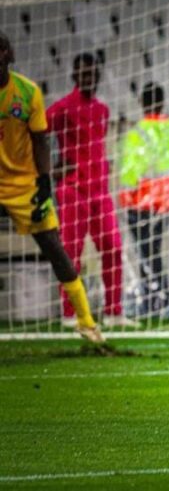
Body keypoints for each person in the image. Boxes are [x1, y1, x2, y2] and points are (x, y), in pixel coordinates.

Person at [0, 31, 103, 343]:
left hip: (24, 185)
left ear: (8, 54)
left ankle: (86, 322)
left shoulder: (27, 92)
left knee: (56, 250)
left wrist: (44, 181)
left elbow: (41, 140)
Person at [47, 53, 134, 328]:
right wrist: (50, 167)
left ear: (98, 76)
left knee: (113, 248)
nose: (88, 78)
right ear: (74, 76)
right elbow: (36, 132)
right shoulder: (62, 108)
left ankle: (114, 312)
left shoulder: (102, 110)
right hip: (73, 190)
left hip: (100, 191)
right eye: (83, 73)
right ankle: (70, 314)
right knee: (71, 253)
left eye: (92, 74)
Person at [118, 82, 169, 318]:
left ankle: (152, 300)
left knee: (145, 252)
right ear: (162, 101)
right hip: (164, 203)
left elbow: (130, 169)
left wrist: (126, 197)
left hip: (139, 203)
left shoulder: (138, 132)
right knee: (154, 251)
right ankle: (160, 299)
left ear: (142, 102)